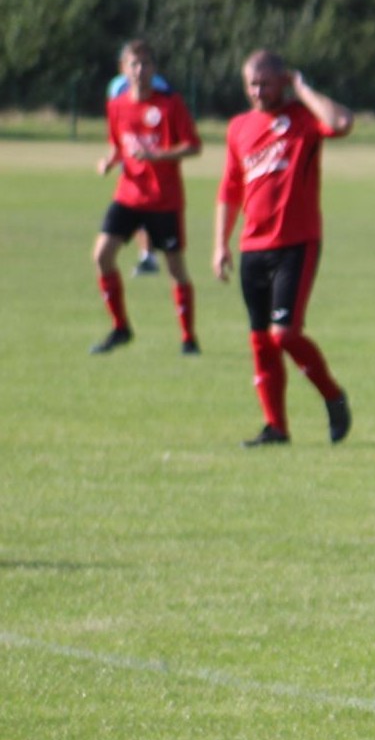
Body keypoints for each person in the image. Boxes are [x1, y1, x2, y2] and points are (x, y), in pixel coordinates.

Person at [214, 50, 354, 448]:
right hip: (252, 246)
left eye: (266, 83)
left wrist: (304, 88)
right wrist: (219, 244)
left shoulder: (305, 119)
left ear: (283, 82)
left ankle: (332, 394)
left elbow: (341, 122)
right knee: (260, 340)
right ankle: (275, 427)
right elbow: (229, 188)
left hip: (296, 243)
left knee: (284, 335)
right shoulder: (239, 127)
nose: (258, 91)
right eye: (251, 85)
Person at [91, 40, 201, 354]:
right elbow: (118, 146)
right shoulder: (117, 106)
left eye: (146, 64)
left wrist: (157, 155)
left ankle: (188, 338)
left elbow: (193, 146)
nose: (140, 71)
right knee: (102, 256)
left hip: (164, 200)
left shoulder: (170, 105)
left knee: (176, 269)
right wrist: (108, 161)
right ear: (123, 70)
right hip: (128, 195)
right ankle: (120, 328)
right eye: (134, 65)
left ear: (154, 68)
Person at [107, 67, 176, 277]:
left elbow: (168, 115)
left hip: (154, 159)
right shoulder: (118, 86)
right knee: (135, 206)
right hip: (131, 157)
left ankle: (153, 254)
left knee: (149, 209)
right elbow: (117, 121)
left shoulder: (161, 85)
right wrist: (114, 157)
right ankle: (147, 254)